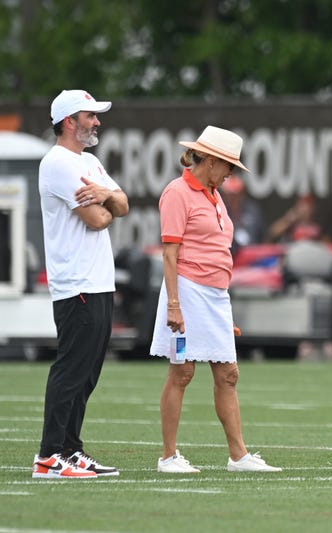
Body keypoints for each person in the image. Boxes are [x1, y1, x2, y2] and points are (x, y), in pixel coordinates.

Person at [150, 126, 281, 474]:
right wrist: (174, 305)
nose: (230, 175)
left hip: (214, 296)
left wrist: (222, 312)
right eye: (228, 167)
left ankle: (238, 456)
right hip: (187, 292)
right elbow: (170, 253)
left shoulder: (213, 193)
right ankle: (168, 456)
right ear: (209, 161)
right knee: (182, 372)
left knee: (228, 374)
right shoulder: (177, 193)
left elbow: (217, 251)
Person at [33, 90, 129, 479]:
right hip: (76, 283)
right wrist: (109, 202)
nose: (97, 123)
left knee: (88, 373)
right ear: (70, 121)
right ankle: (49, 455)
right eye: (91, 116)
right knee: (72, 368)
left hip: (98, 281)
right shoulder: (58, 163)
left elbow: (122, 205)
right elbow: (99, 220)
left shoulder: (87, 160)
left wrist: (106, 194)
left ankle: (70, 450)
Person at [219, 174, 264, 255]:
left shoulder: (252, 210)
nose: (232, 198)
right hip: (230, 255)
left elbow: (261, 235)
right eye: (229, 195)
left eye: (235, 194)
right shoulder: (220, 211)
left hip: (252, 256)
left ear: (241, 194)